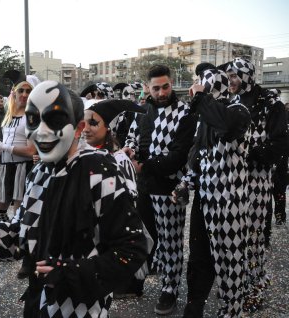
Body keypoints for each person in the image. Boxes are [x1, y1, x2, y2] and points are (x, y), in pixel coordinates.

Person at [0, 80, 149, 317]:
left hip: (82, 307)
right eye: (33, 119)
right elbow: (26, 232)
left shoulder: (99, 171)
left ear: (78, 128)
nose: (41, 131)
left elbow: (131, 249)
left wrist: (69, 272)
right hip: (38, 301)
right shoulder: (40, 172)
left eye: (55, 120)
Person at [173, 67, 251, 318]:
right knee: (198, 257)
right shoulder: (204, 119)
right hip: (204, 200)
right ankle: (194, 305)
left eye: (206, 88)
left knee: (230, 260)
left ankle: (231, 310)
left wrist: (200, 98)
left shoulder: (238, 111)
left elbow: (226, 126)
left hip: (230, 203)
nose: (200, 91)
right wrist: (185, 183)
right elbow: (198, 157)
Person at [125, 64, 197, 315]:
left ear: (171, 83)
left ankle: (170, 290)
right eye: (156, 88)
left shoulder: (185, 113)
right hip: (144, 188)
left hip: (169, 189)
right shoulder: (143, 110)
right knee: (142, 237)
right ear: (148, 88)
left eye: (165, 86)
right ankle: (136, 281)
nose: (162, 92)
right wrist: (129, 151)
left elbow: (179, 156)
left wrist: (143, 165)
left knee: (170, 242)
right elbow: (133, 138)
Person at [221, 58, 289, 312]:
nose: (230, 82)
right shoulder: (229, 101)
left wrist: (247, 153)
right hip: (229, 183)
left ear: (247, 76)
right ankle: (237, 285)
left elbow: (280, 144)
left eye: (234, 76)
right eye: (228, 77)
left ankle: (256, 285)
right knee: (233, 237)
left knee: (254, 237)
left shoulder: (270, 103)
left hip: (257, 181)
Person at [83, 99, 153, 298]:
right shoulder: (83, 156)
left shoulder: (119, 159)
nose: (86, 129)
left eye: (93, 123)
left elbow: (129, 198)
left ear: (108, 128)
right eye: (84, 123)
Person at [0, 70, 39, 279]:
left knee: (22, 216)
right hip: (5, 168)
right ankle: (11, 238)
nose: (25, 95)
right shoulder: (8, 116)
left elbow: (31, 151)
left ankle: (25, 256)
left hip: (22, 168)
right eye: (21, 90)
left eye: (29, 91)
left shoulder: (31, 118)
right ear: (14, 92)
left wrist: (5, 148)